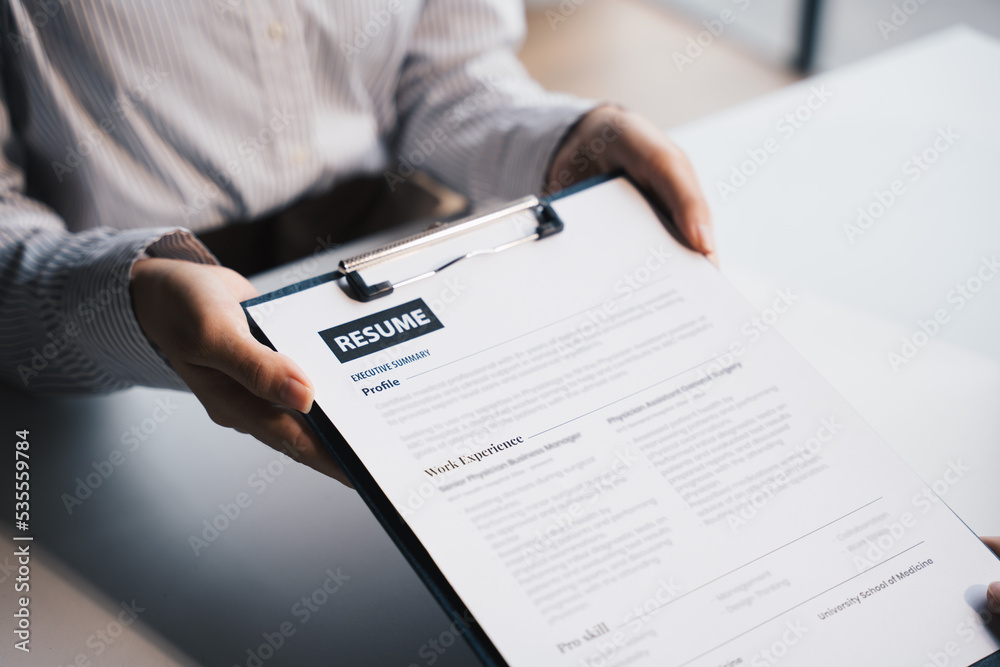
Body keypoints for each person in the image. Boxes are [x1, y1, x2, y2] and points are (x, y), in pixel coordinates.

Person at [0, 0, 997, 628]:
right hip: (113, 384)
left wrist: (561, 143)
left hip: (425, 295)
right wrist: (134, 292)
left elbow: (448, 80)